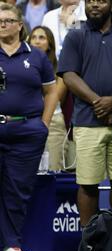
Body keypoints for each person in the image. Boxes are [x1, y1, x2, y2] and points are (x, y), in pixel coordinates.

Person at [57, 0, 112, 226]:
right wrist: (97, 101)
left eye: (101, 0)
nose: (95, 5)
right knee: (87, 184)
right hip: (88, 121)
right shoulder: (76, 35)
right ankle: (89, 245)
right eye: (90, 1)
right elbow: (68, 74)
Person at [0, 3, 58, 251]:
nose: (3, 24)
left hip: (27, 131)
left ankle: (12, 244)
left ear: (19, 24)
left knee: (17, 189)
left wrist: (43, 124)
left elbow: (51, 90)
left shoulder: (35, 56)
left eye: (8, 20)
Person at [28, 25, 70, 171]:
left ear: (50, 44)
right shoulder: (22, 65)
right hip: (27, 121)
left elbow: (55, 98)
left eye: (42, 37)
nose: (37, 41)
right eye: (33, 37)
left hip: (53, 121)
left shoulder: (59, 69)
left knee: (53, 170)